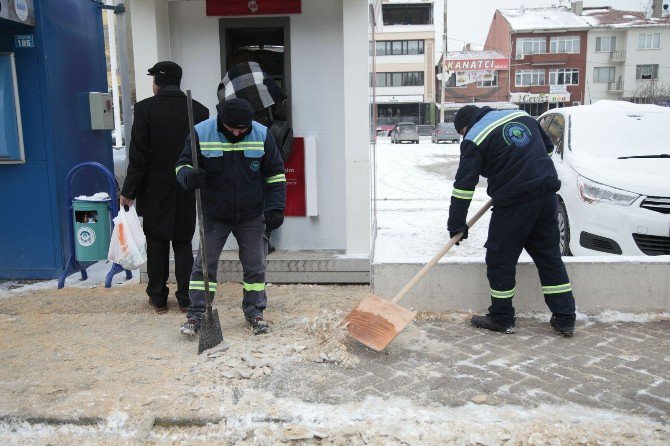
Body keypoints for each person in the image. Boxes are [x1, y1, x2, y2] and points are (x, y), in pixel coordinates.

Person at [448, 105, 576, 337]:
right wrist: (525, 167)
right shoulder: (522, 116)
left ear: (465, 126)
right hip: (546, 195)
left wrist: (456, 223)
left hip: (514, 204)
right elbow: (546, 148)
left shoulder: (474, 137)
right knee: (548, 256)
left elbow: (464, 185)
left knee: (500, 259)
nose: (463, 136)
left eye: (461, 132)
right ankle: (565, 317)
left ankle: (501, 317)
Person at [176, 98, 286, 336]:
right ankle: (197, 314)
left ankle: (254, 311)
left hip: (252, 214)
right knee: (205, 265)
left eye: (242, 129)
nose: (237, 132)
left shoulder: (262, 134)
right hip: (214, 213)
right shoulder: (201, 132)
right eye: (232, 128)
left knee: (256, 266)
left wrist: (276, 207)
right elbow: (181, 166)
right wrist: (188, 177)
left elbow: (275, 173)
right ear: (221, 121)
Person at [120, 61, 209, 314]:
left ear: (159, 81)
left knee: (157, 241)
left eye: (153, 80)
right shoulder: (199, 110)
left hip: (154, 188)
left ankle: (158, 297)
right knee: (182, 242)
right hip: (186, 185)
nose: (152, 85)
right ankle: (185, 298)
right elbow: (202, 154)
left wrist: (129, 192)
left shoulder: (145, 109)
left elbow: (138, 156)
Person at [217, 50, 292, 254]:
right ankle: (265, 235)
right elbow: (280, 110)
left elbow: (222, 113)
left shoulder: (227, 82)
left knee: (249, 186)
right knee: (270, 184)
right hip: (264, 136)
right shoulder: (262, 77)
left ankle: (251, 237)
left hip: (240, 140)